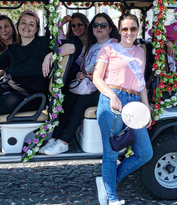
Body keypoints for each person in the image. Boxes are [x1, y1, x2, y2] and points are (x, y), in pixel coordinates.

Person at [0, 11, 76, 151]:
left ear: (36, 29)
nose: (27, 27)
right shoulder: (13, 49)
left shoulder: (44, 43)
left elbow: (72, 47)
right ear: (18, 26)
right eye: (23, 23)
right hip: (11, 87)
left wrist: (51, 55)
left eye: (31, 24)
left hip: (32, 96)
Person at [93, 14, 153, 205]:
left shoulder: (140, 52)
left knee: (145, 152)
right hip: (112, 100)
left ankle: (108, 182)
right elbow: (97, 78)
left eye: (133, 29)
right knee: (110, 154)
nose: (129, 33)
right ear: (119, 30)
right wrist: (112, 96)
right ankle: (112, 198)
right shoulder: (108, 48)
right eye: (125, 29)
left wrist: (146, 107)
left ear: (138, 30)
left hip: (134, 102)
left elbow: (141, 83)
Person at [41, 13, 120, 155]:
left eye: (103, 25)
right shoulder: (92, 45)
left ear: (109, 28)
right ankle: (55, 137)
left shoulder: (114, 44)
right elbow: (85, 65)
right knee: (68, 99)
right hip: (91, 85)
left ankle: (64, 142)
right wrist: (81, 74)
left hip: (107, 89)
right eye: (96, 25)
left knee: (82, 101)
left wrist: (99, 73)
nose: (99, 28)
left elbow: (116, 68)